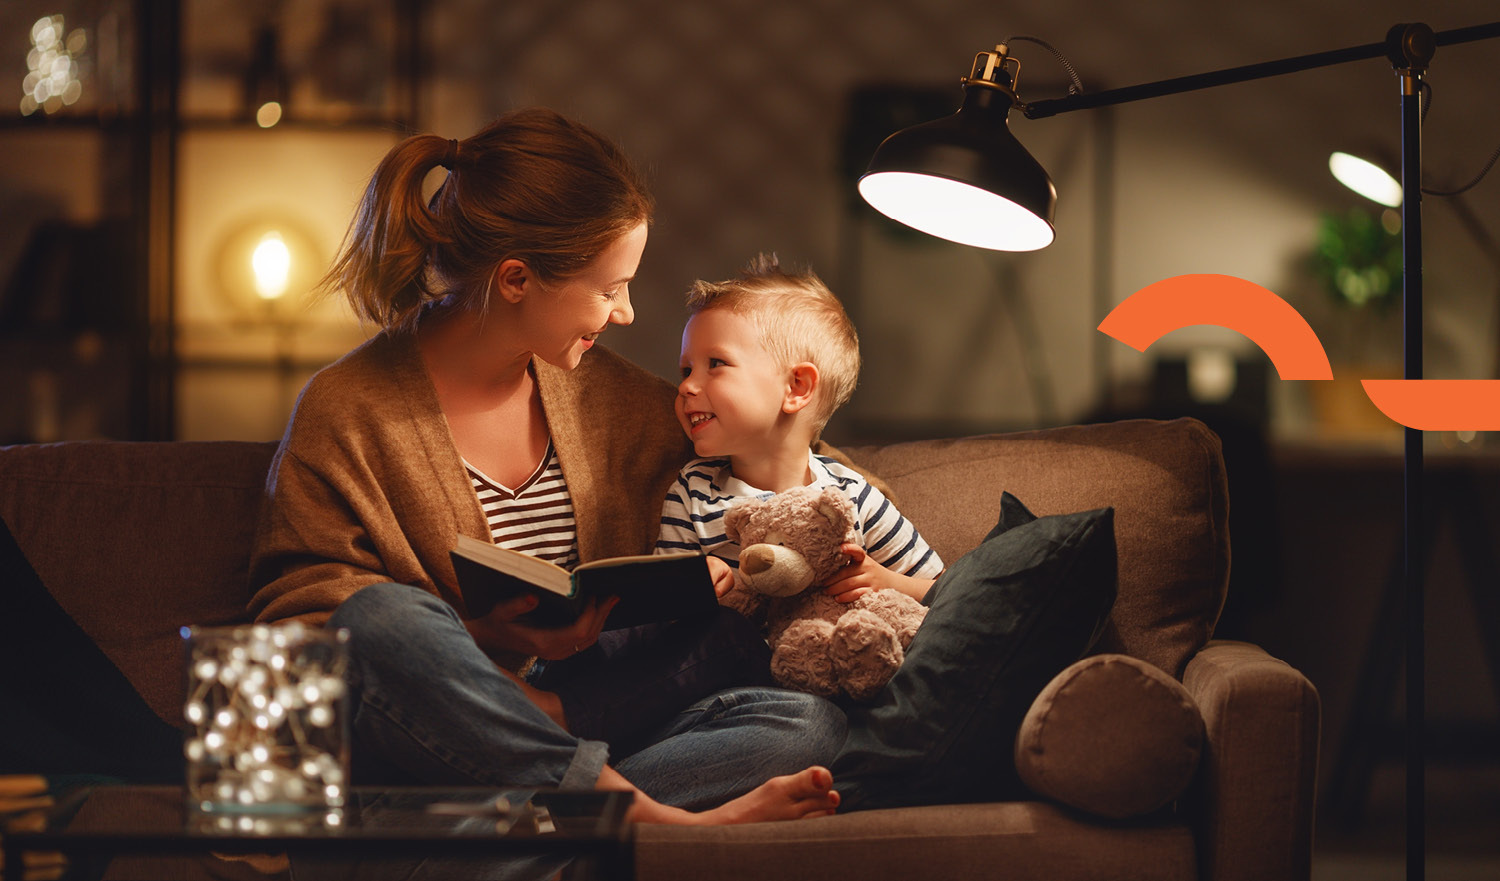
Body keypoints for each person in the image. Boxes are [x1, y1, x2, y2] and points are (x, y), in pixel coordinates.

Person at [247, 109, 845, 825]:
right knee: (378, 620)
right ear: (517, 279)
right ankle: (642, 821)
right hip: (434, 742)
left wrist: (856, 551)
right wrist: (484, 637)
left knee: (808, 725)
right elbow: (307, 633)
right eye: (608, 287)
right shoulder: (348, 410)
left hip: (594, 720)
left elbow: (787, 459)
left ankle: (532, 821)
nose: (625, 313)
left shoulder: (617, 400)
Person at [657, 254, 944, 605]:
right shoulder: (692, 493)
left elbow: (947, 591)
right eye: (686, 370)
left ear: (796, 387)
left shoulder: (852, 497)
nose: (686, 386)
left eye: (715, 364)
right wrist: (697, 583)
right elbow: (658, 608)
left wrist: (886, 581)